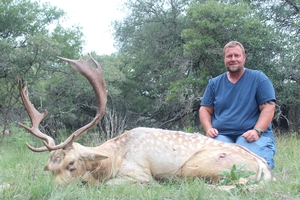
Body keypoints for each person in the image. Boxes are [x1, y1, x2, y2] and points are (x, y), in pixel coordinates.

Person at [199, 41, 276, 169]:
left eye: (237, 55)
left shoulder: (259, 78)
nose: (233, 59)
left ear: (244, 58)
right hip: (222, 135)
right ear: (224, 59)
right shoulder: (214, 83)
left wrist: (257, 130)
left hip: (250, 135)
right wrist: (208, 128)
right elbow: (205, 109)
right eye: (229, 56)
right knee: (213, 167)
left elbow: (269, 107)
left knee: (254, 168)